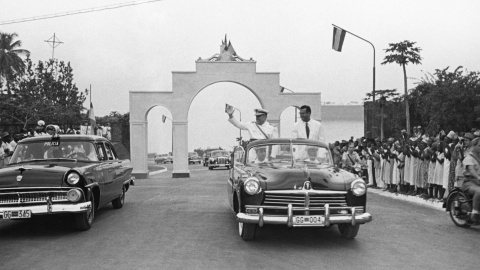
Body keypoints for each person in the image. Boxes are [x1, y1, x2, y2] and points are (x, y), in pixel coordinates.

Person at [462, 139, 480, 224]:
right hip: (469, 182)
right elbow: (472, 170)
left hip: (478, 182)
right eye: (479, 146)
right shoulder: (469, 157)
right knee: (479, 191)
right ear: (474, 146)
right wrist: (478, 177)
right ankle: (474, 213)